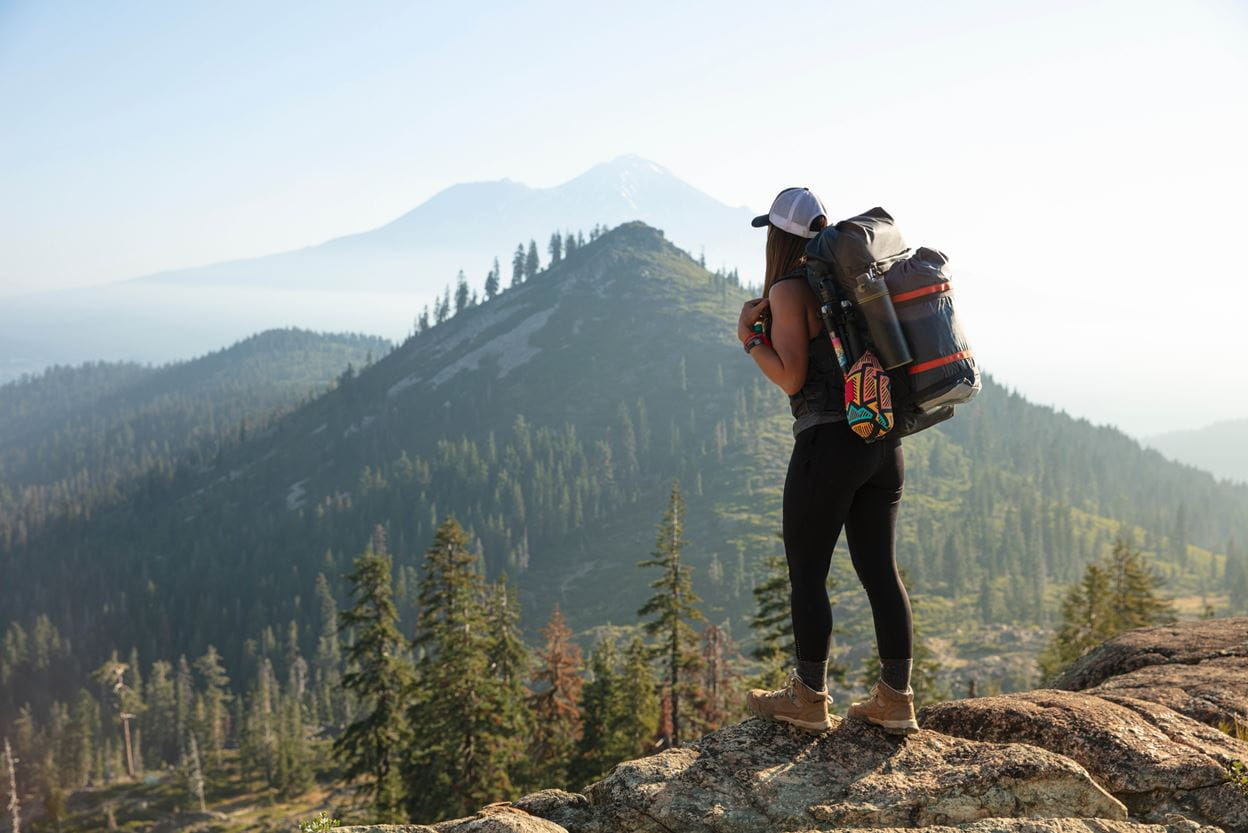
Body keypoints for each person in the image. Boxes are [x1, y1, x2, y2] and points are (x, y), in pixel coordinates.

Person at [740, 187, 919, 735]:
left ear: (778, 235)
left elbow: (793, 377)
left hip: (828, 443)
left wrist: (749, 339)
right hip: (882, 440)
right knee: (880, 572)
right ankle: (895, 698)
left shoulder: (790, 290)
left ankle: (809, 698)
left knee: (808, 573)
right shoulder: (855, 281)